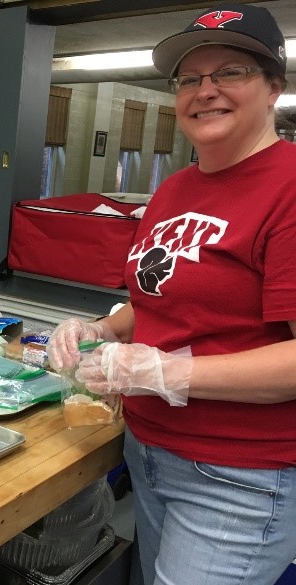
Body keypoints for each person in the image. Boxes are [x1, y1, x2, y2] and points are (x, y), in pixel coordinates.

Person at [46, 4, 296, 584]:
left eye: (230, 72)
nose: (206, 91)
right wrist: (102, 330)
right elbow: (162, 302)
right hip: (146, 451)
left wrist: (167, 373)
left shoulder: (288, 187)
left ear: (273, 89)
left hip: (238, 479)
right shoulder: (175, 190)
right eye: (190, 79)